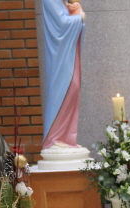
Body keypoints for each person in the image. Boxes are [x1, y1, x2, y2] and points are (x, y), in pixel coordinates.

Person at [41, 0, 86, 150]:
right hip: (59, 58)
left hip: (68, 54)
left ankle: (67, 138)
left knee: (74, 88)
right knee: (63, 91)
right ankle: (53, 139)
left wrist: (75, 8)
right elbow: (62, 24)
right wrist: (79, 18)